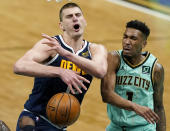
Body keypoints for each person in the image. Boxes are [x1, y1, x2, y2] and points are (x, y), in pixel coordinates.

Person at [13, 2, 107, 131]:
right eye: (69, 16)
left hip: (60, 124)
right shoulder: (51, 44)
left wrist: (67, 55)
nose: (75, 18)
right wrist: (59, 71)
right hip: (34, 117)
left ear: (84, 21)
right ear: (61, 25)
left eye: (78, 15)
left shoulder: (95, 49)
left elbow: (100, 71)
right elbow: (19, 66)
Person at [101, 20, 166, 131]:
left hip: (143, 128)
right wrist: (136, 107)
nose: (127, 42)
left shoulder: (156, 68)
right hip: (116, 127)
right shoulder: (114, 59)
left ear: (144, 44)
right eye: (125, 37)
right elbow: (106, 95)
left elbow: (159, 106)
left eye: (133, 38)